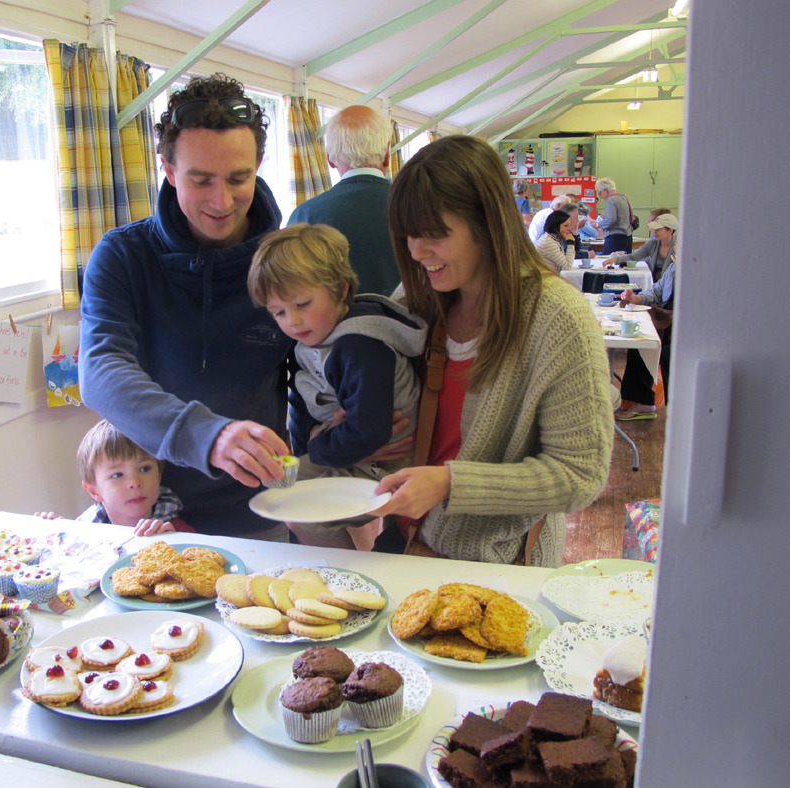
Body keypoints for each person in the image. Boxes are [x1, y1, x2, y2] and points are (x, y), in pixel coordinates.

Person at [371, 135, 613, 567]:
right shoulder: (414, 302)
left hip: (499, 571)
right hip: (404, 553)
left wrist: (450, 484)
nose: (415, 251)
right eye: (407, 234)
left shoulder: (556, 319)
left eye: (433, 235)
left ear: (486, 223)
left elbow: (580, 476)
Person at [78, 74, 294, 541]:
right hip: (148, 517)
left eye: (239, 179)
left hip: (261, 511)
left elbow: (321, 358)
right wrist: (207, 436)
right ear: (169, 170)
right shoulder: (122, 256)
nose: (222, 201)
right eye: (201, 180)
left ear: (259, 164)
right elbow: (100, 369)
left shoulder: (286, 260)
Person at [247, 223, 427, 548]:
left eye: (302, 304)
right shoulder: (319, 333)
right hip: (354, 451)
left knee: (295, 503)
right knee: (281, 484)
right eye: (279, 312)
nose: (292, 321)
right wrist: (313, 444)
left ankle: (345, 575)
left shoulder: (359, 346)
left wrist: (317, 447)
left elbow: (368, 432)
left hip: (386, 462)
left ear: (341, 289)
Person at [287, 105, 401, 296]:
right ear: (388, 155)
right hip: (415, 324)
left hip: (341, 325)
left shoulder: (304, 216)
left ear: (330, 158)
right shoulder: (420, 205)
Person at [74, 419, 193, 533]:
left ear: (158, 477)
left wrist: (174, 542)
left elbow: (202, 550)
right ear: (94, 492)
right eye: (117, 475)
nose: (135, 482)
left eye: (145, 469)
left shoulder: (175, 529)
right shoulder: (84, 531)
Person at [614, 241, 678, 420]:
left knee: (652, 347)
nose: (676, 249)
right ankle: (639, 401)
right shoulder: (675, 266)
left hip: (681, 326)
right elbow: (657, 291)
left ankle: (643, 402)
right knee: (639, 340)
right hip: (668, 320)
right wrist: (637, 297)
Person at [607, 211, 676, 279]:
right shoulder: (653, 244)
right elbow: (633, 257)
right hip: (656, 285)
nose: (654, 232)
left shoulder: (678, 248)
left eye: (658, 229)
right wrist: (615, 259)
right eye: (654, 228)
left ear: (670, 230)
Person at [595, 177, 634, 254]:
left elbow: (610, 220)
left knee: (610, 263)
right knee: (624, 264)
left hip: (615, 238)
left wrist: (598, 224)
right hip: (627, 237)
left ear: (605, 190)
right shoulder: (623, 197)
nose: (601, 196)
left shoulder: (610, 200)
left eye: (600, 193)